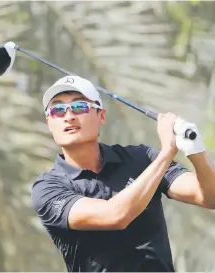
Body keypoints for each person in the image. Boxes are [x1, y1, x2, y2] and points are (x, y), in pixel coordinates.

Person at [31, 75, 215, 272]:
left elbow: (209, 197)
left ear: (101, 116)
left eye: (79, 107)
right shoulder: (48, 189)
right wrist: (167, 153)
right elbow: (115, 215)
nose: (69, 116)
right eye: (57, 110)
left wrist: (196, 153)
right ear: (49, 122)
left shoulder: (142, 158)